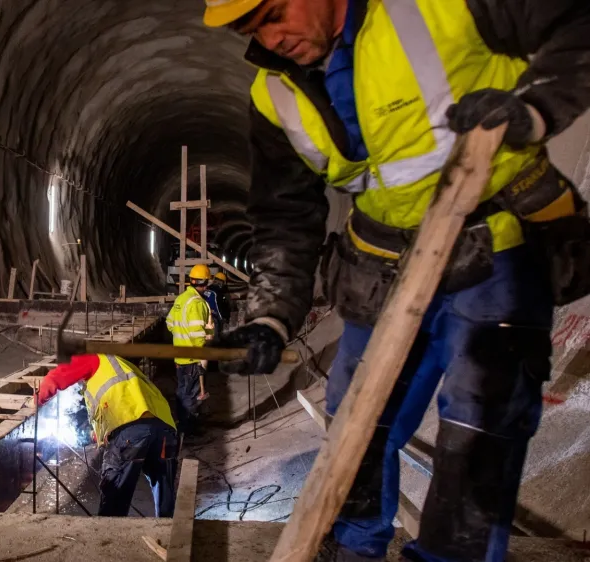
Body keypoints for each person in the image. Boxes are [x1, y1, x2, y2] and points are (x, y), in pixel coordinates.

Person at [204, 0, 590, 560]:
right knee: (353, 425)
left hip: (497, 245)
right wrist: (271, 316)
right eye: (251, 28)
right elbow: (286, 218)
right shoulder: (274, 96)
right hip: (381, 267)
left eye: (275, 13)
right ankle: (353, 548)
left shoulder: (440, 7)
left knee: (481, 425)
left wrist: (534, 109)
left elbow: (575, 22)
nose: (270, 38)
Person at [37, 354, 178, 517]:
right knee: (163, 487)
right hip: (165, 428)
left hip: (131, 427)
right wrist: (96, 436)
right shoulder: (122, 366)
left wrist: (36, 400)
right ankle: (169, 534)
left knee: (114, 491)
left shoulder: (92, 358)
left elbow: (55, 378)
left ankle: (108, 539)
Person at [166, 264, 214, 435]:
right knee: (191, 396)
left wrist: (181, 338)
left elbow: (170, 324)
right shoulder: (198, 303)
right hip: (193, 359)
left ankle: (181, 424)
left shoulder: (181, 299)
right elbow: (197, 335)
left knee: (181, 392)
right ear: (206, 283)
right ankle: (189, 431)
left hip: (179, 356)